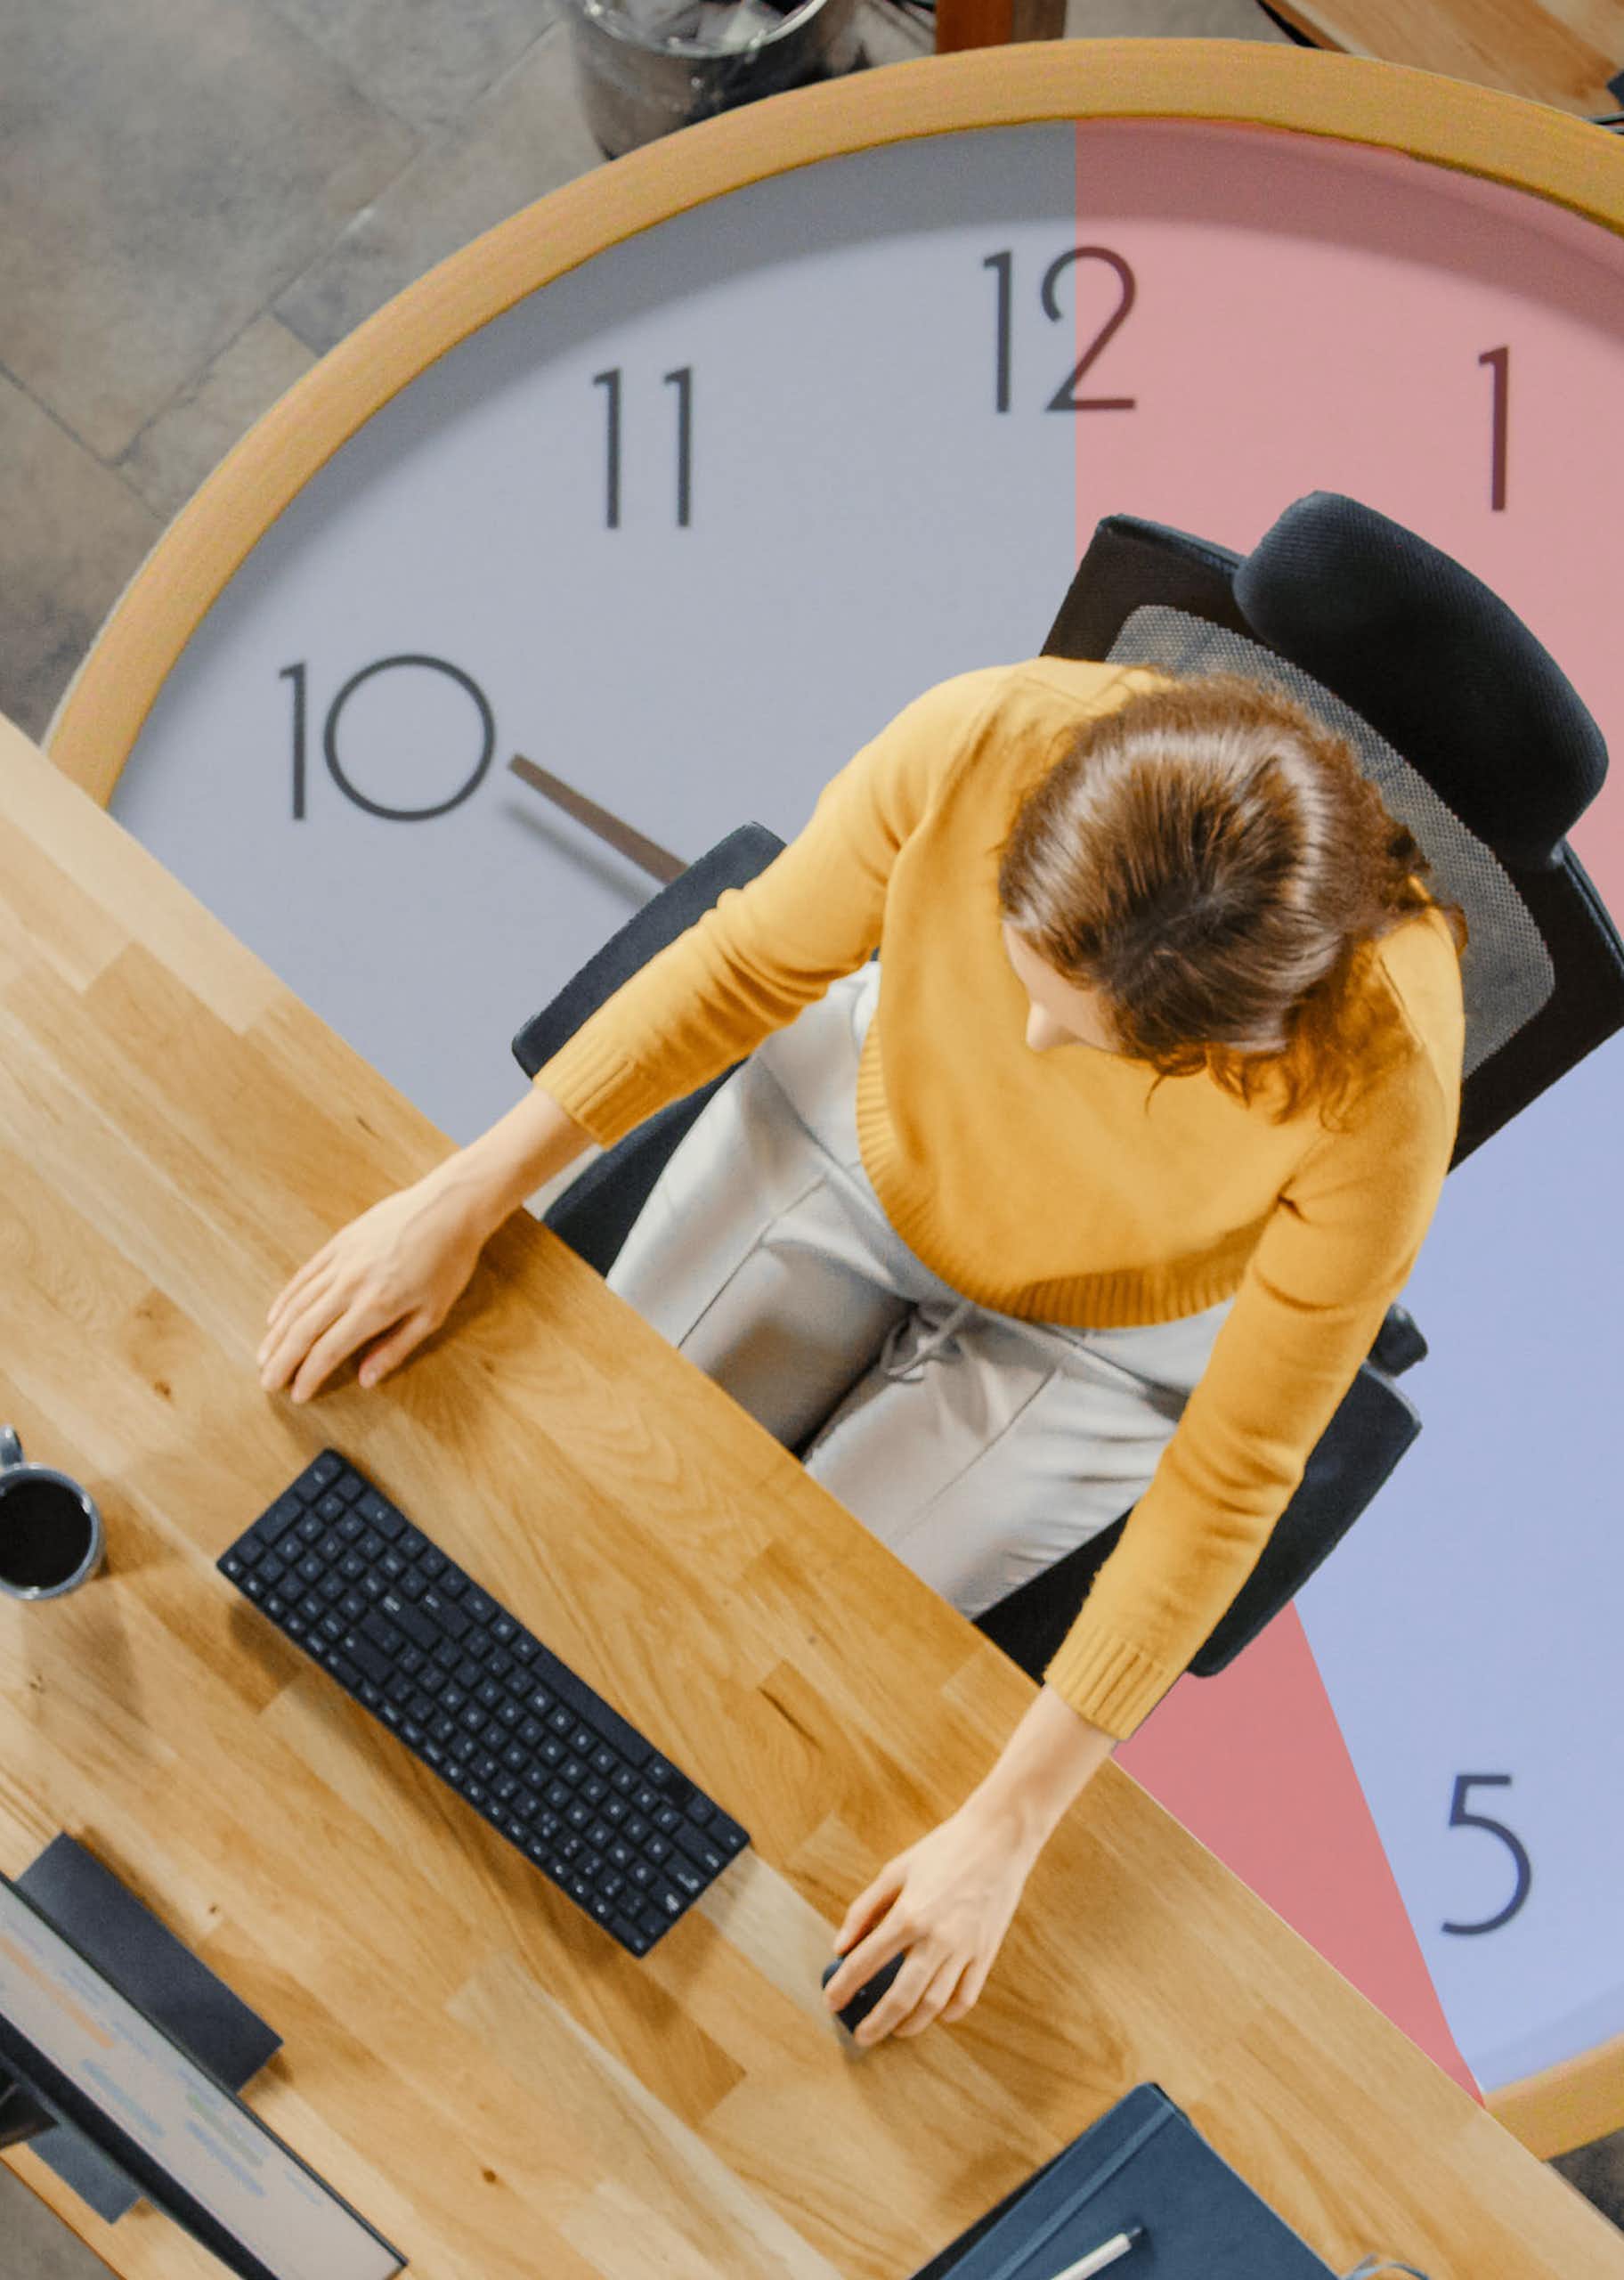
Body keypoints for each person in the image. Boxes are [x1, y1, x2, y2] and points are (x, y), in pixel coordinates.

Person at [254, 654, 1466, 2046]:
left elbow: (1238, 1470)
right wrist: (465, 1194)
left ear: (1241, 1045)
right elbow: (748, 960)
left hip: (1111, 1340)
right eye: (1027, 982)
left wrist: (1007, 1831)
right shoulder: (980, 739)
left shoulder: (1383, 1076)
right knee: (567, 1526)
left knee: (754, 1686)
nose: (1027, 1037)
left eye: (1088, 1041)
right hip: (849, 1136)